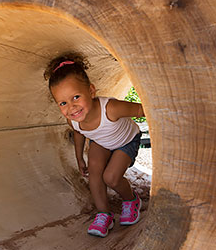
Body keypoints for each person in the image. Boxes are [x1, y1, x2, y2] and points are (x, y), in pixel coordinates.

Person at [44, 53, 145, 238]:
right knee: (94, 170)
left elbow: (142, 109)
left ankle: (131, 199)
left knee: (111, 178)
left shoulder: (111, 109)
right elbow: (79, 133)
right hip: (102, 142)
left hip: (127, 141)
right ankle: (104, 214)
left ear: (91, 91)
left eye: (76, 97)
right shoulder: (73, 121)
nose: (71, 107)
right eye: (63, 103)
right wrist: (79, 158)